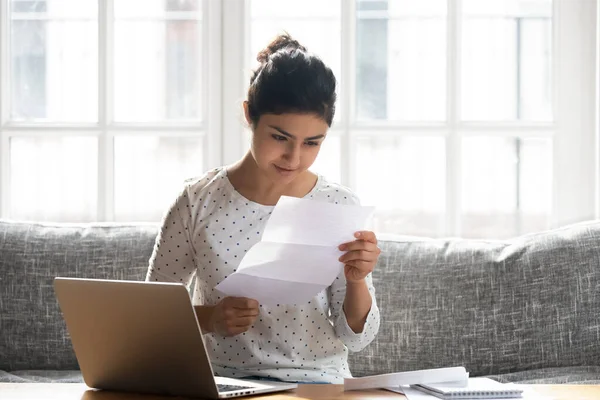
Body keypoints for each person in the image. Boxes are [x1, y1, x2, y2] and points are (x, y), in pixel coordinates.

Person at [146, 33, 381, 384]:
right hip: (226, 383)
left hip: (317, 384)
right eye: (280, 137)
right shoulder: (197, 201)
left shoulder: (338, 205)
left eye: (312, 143)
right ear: (248, 115)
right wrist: (210, 319)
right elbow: (150, 317)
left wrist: (357, 280)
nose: (294, 158)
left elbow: (357, 338)